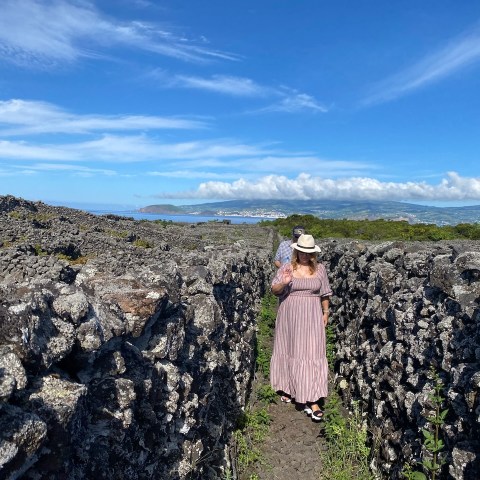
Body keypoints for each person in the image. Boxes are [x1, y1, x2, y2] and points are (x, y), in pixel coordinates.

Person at [270, 234, 332, 421]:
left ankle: (312, 399)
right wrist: (284, 282)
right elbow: (275, 290)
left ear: (313, 253)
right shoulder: (288, 268)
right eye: (302, 251)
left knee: (312, 352)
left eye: (308, 252)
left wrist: (326, 312)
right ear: (296, 251)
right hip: (290, 314)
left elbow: (325, 292)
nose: (305, 255)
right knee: (290, 349)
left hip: (312, 314)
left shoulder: (320, 269)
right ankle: (289, 387)